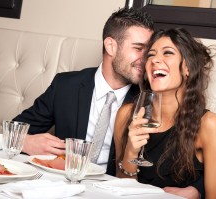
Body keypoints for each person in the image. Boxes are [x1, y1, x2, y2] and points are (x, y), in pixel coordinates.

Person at [13, 7, 154, 175]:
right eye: (138, 49)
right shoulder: (65, 86)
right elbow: (14, 130)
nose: (145, 59)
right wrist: (24, 142)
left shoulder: (148, 99)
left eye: (149, 51)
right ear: (110, 46)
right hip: (63, 181)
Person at [114, 28, 216, 199]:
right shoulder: (126, 115)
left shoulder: (209, 124)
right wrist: (130, 152)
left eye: (167, 53)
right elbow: (121, 190)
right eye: (151, 55)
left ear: (187, 67)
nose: (155, 60)